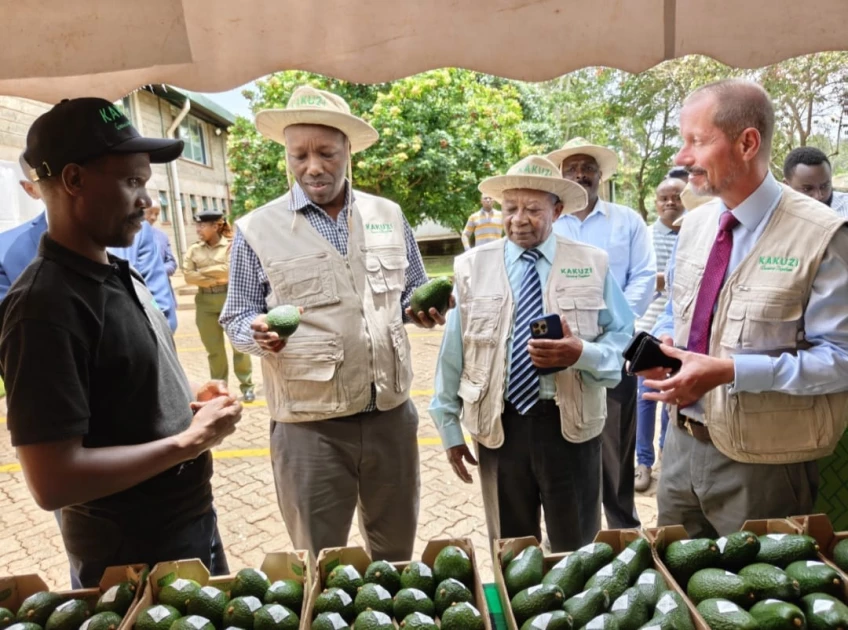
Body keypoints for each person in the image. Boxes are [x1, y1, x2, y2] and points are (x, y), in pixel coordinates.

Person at [0, 97, 242, 587]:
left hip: (187, 525)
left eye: (146, 185)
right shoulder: (43, 308)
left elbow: (122, 384)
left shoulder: (115, 271)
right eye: (132, 182)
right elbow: (53, 480)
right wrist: (189, 441)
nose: (147, 201)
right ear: (73, 181)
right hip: (130, 556)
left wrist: (190, 396)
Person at [221, 86, 437, 561]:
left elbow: (409, 294)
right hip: (309, 426)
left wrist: (422, 312)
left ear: (348, 151)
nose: (312, 166)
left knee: (396, 554)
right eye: (298, 154)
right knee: (320, 560)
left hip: (390, 418)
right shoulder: (257, 228)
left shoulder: (388, 215)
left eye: (326, 152)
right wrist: (255, 336)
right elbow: (235, 317)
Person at [638, 79, 848, 538]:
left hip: (766, 466)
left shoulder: (824, 236)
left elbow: (841, 361)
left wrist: (731, 371)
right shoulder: (693, 226)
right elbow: (679, 312)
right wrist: (667, 346)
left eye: (696, 140)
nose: (681, 156)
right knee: (677, 593)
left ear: (747, 142)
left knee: (757, 603)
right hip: (680, 450)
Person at [430, 155, 633, 550]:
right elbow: (452, 351)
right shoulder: (471, 267)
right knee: (511, 549)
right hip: (499, 428)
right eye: (511, 208)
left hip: (570, 427)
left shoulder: (592, 263)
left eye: (533, 209)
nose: (519, 219)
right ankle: (514, 613)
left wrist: (581, 354)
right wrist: (449, 427)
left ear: (556, 211)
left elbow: (622, 336)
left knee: (577, 551)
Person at [547, 137, 656, 529]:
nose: (580, 174)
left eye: (587, 167)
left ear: (599, 175)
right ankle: (571, 529)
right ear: (562, 178)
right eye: (572, 168)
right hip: (558, 357)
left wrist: (613, 327)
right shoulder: (548, 221)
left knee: (615, 446)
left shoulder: (627, 221)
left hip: (614, 352)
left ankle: (623, 526)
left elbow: (643, 276)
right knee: (562, 444)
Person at [0, 153, 178, 331]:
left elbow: (162, 314)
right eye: (131, 181)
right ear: (30, 189)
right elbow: (11, 333)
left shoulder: (137, 231)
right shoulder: (5, 250)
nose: (145, 201)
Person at [634, 178, 685, 493]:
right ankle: (643, 463)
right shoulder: (648, 237)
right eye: (664, 198)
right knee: (645, 399)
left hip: (682, 333)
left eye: (676, 197)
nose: (670, 203)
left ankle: (667, 457)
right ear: (655, 203)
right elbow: (641, 280)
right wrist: (667, 279)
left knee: (672, 397)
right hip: (648, 331)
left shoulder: (695, 232)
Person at [184, 209, 255, 402]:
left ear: (215, 226)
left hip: (230, 299)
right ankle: (219, 389)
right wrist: (215, 277)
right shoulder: (194, 249)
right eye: (197, 225)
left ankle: (247, 385)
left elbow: (229, 271)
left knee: (239, 346)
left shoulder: (231, 246)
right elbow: (188, 276)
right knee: (214, 351)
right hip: (204, 303)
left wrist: (204, 273)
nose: (198, 229)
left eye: (201, 225)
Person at [783, 146, 848, 218]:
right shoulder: (775, 216)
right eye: (807, 189)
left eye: (824, 186)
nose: (818, 196)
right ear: (786, 185)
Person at [144, 201, 178, 276]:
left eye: (156, 214)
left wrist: (159, 271)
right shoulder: (124, 238)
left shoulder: (162, 236)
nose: (153, 218)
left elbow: (171, 262)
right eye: (149, 212)